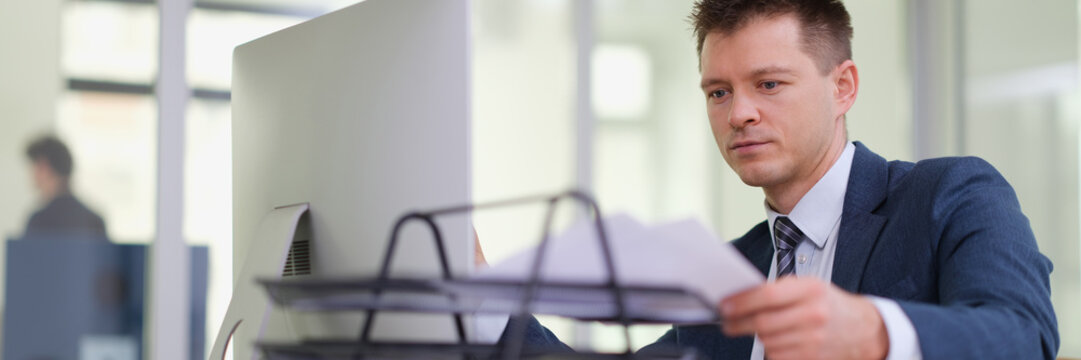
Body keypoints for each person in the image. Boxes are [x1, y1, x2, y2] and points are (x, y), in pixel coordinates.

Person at [496, 0, 1059, 359]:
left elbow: (1024, 337)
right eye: (718, 92)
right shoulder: (725, 269)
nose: (738, 113)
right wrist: (486, 306)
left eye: (767, 84)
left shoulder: (950, 196)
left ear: (843, 88)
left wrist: (874, 332)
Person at [22, 135, 108, 241]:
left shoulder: (39, 221)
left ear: (43, 166)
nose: (32, 175)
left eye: (34, 167)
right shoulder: (95, 221)